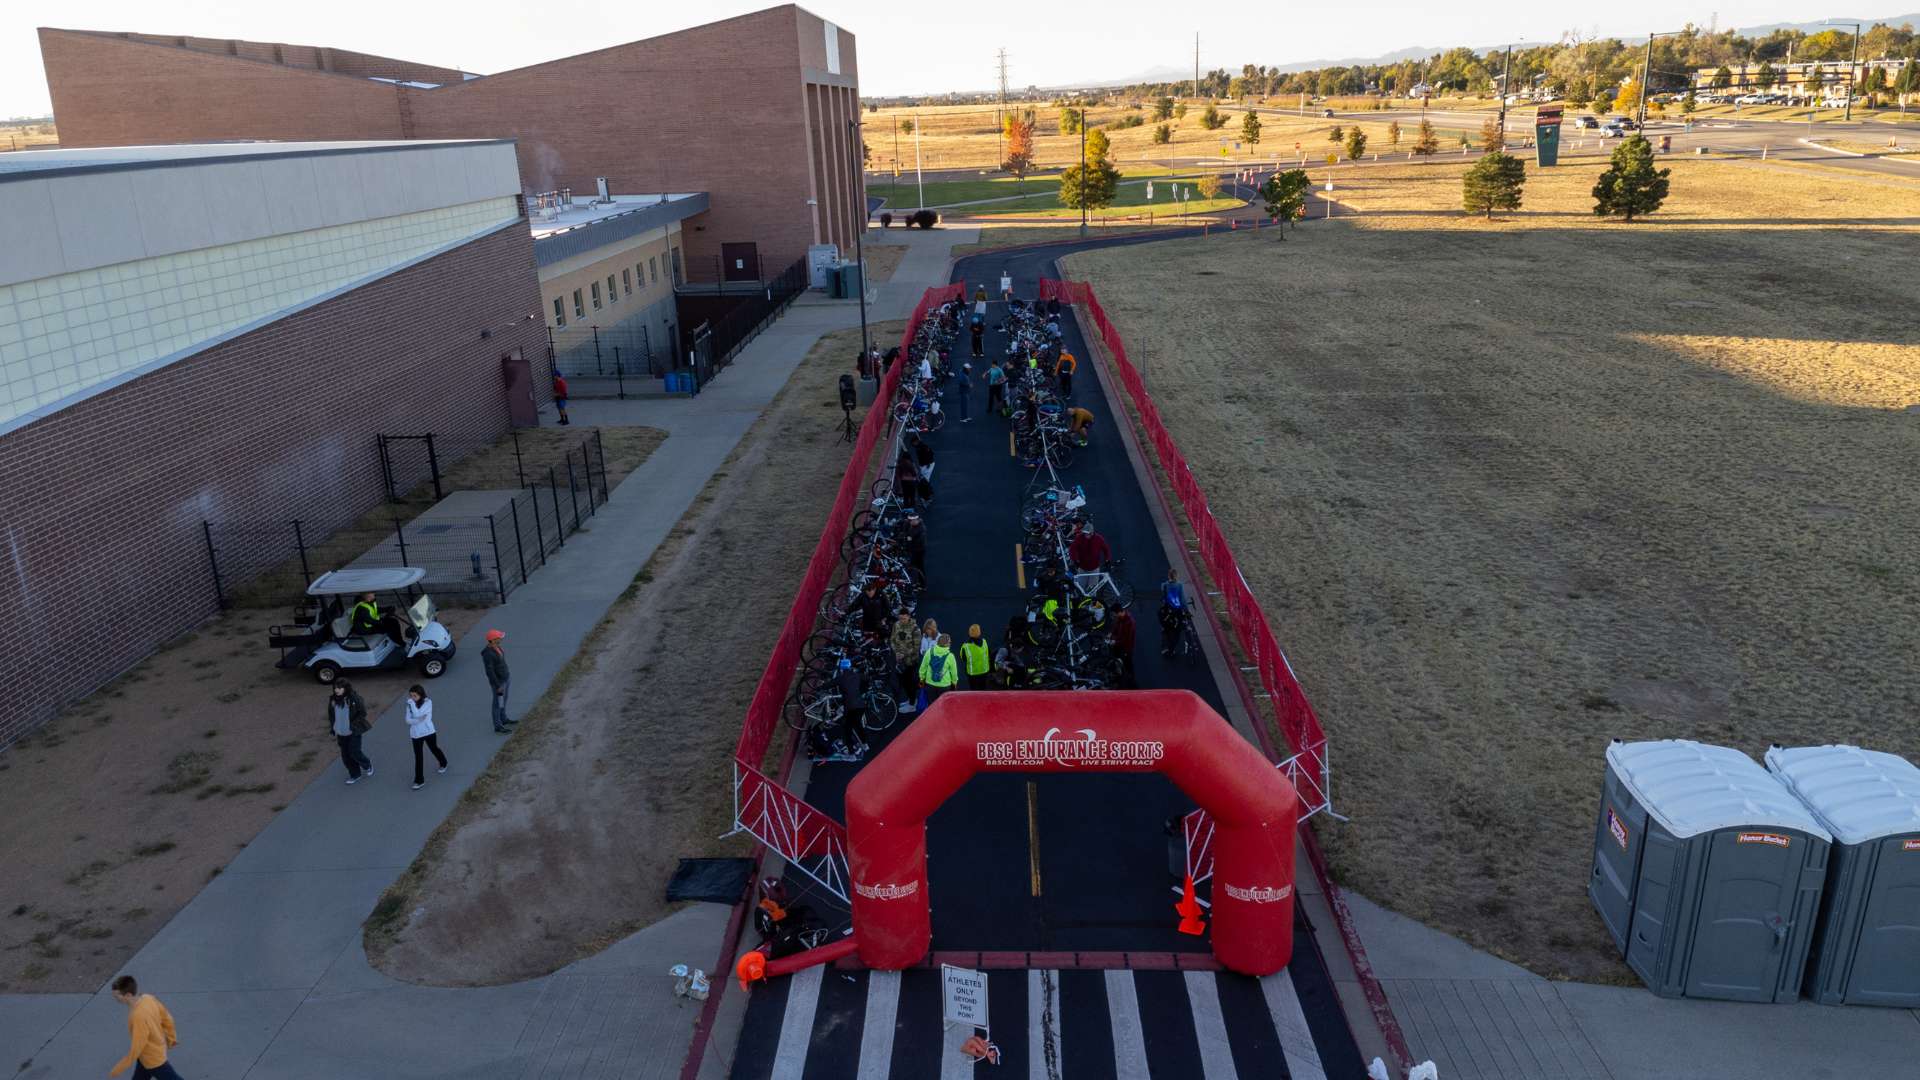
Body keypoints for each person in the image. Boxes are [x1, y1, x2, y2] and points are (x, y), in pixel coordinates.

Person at [109, 975, 182, 1080]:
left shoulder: (138, 1016)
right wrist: (172, 1038)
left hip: (153, 1059)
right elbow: (167, 1018)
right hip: (149, 1054)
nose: (115, 998)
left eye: (117, 996)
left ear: (128, 995)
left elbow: (137, 1046)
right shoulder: (148, 998)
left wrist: (119, 1068)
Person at [326, 679, 372, 784]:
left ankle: (367, 764)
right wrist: (333, 727)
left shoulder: (354, 699)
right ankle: (355, 774)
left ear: (346, 688)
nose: (336, 690)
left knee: (355, 752)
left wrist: (353, 725)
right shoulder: (333, 700)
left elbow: (362, 713)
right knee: (346, 756)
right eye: (335, 688)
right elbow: (331, 715)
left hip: (353, 732)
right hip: (341, 732)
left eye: (339, 688)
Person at [404, 685, 448, 790]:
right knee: (418, 757)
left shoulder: (428, 703)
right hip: (416, 734)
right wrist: (418, 720)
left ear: (421, 695)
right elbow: (407, 720)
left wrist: (412, 707)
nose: (412, 698)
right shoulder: (410, 705)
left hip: (428, 732)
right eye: (411, 696)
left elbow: (417, 713)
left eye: (415, 696)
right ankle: (419, 780)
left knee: (434, 748)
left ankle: (443, 763)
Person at [833, 658, 868, 754]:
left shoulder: (841, 678)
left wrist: (819, 687)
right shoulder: (857, 675)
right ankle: (865, 744)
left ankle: (851, 752)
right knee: (858, 725)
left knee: (847, 729)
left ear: (841, 668)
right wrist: (863, 690)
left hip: (850, 708)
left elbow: (828, 685)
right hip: (861, 706)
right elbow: (866, 678)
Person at [482, 629, 514, 733]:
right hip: (499, 682)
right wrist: (497, 685)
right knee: (497, 703)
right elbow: (489, 672)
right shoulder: (488, 654)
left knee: (504, 700)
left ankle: (503, 719)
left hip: (505, 677)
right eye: (499, 637)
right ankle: (498, 726)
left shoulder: (497, 647)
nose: (501, 638)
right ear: (493, 640)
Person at [890, 610, 921, 714]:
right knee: (903, 683)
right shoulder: (896, 625)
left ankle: (912, 704)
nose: (902, 620)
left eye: (904, 618)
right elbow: (892, 640)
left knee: (910, 683)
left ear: (908, 616)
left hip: (911, 661)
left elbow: (916, 647)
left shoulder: (915, 629)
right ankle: (910, 700)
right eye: (900, 618)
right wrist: (896, 652)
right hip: (900, 660)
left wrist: (904, 654)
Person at [918, 632, 958, 708]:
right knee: (944, 706)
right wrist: (954, 683)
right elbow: (954, 673)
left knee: (931, 706)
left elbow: (923, 668)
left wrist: (922, 679)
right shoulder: (950, 656)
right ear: (948, 644)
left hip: (930, 684)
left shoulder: (929, 652)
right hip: (945, 685)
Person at [1159, 568, 1189, 657]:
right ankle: (1171, 649)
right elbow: (1182, 600)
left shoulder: (1163, 585)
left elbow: (1164, 599)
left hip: (1167, 612)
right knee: (1177, 631)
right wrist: (1186, 611)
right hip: (1177, 612)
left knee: (1166, 629)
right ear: (1176, 576)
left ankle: (1164, 647)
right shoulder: (1179, 585)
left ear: (1168, 576)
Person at [1110, 608, 1138, 688]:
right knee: (1118, 659)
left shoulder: (1130, 623)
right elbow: (1116, 627)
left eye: (1115, 614)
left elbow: (1127, 639)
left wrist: (1115, 642)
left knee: (1128, 665)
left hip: (1126, 648)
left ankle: (1131, 683)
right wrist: (1111, 634)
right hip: (1119, 645)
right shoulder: (1120, 618)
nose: (1114, 616)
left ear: (1119, 612)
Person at [959, 624, 991, 690]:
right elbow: (988, 654)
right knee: (983, 690)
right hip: (984, 672)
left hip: (972, 674)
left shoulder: (965, 646)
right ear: (979, 633)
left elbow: (963, 658)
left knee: (973, 692)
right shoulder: (985, 642)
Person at [901, 510, 927, 574]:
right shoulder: (908, 523)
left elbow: (915, 540)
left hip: (918, 549)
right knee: (913, 563)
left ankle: (921, 581)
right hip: (912, 548)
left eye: (913, 520)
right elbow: (905, 532)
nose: (911, 522)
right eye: (910, 520)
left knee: (919, 565)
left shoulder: (921, 529)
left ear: (917, 520)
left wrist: (908, 539)